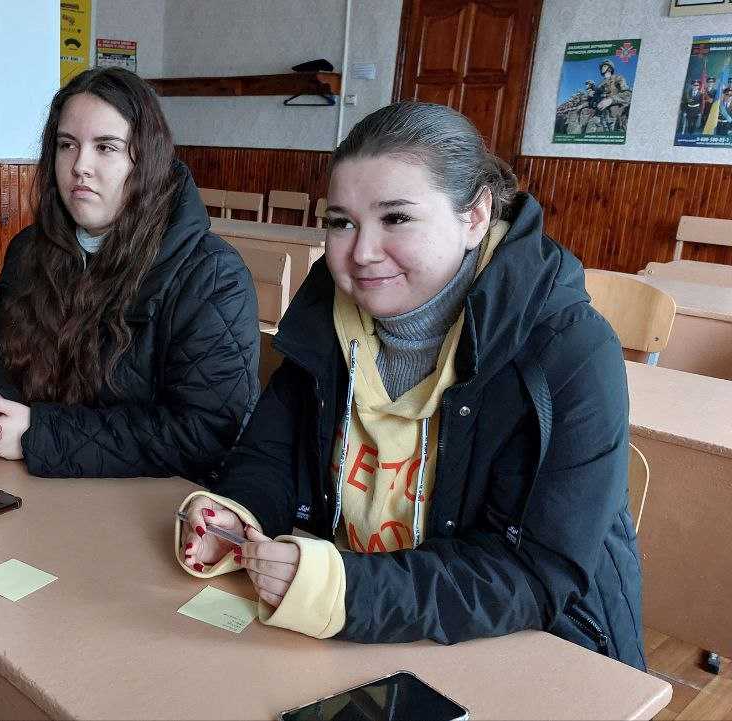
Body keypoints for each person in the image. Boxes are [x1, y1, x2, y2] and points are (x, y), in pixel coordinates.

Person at [176, 101, 644, 670]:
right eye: (341, 222)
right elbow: (271, 453)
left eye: (396, 218)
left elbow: (532, 576)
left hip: (532, 653)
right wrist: (239, 515)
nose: (361, 252)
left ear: (475, 217)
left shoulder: (569, 348)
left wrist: (346, 590)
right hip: (356, 638)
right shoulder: (327, 307)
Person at [0, 67, 260, 482]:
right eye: (67, 145)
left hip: (154, 501)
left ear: (146, 160)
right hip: (31, 482)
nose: (80, 165)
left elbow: (202, 433)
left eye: (106, 147)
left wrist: (37, 435)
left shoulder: (211, 274)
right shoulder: (29, 250)